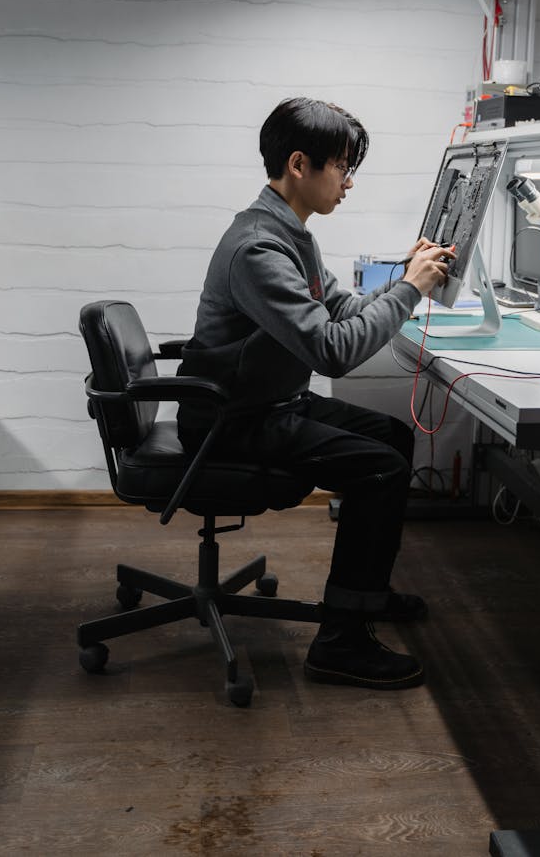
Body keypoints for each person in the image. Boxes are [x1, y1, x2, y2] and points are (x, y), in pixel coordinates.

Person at [178, 96, 454, 690]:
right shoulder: (259, 248)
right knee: (378, 470)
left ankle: (366, 595)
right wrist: (408, 292)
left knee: (391, 436)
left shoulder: (291, 233)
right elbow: (332, 350)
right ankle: (340, 642)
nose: (349, 183)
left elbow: (342, 309)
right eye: (343, 167)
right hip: (234, 418)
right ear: (299, 165)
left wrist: (400, 276)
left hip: (266, 402)